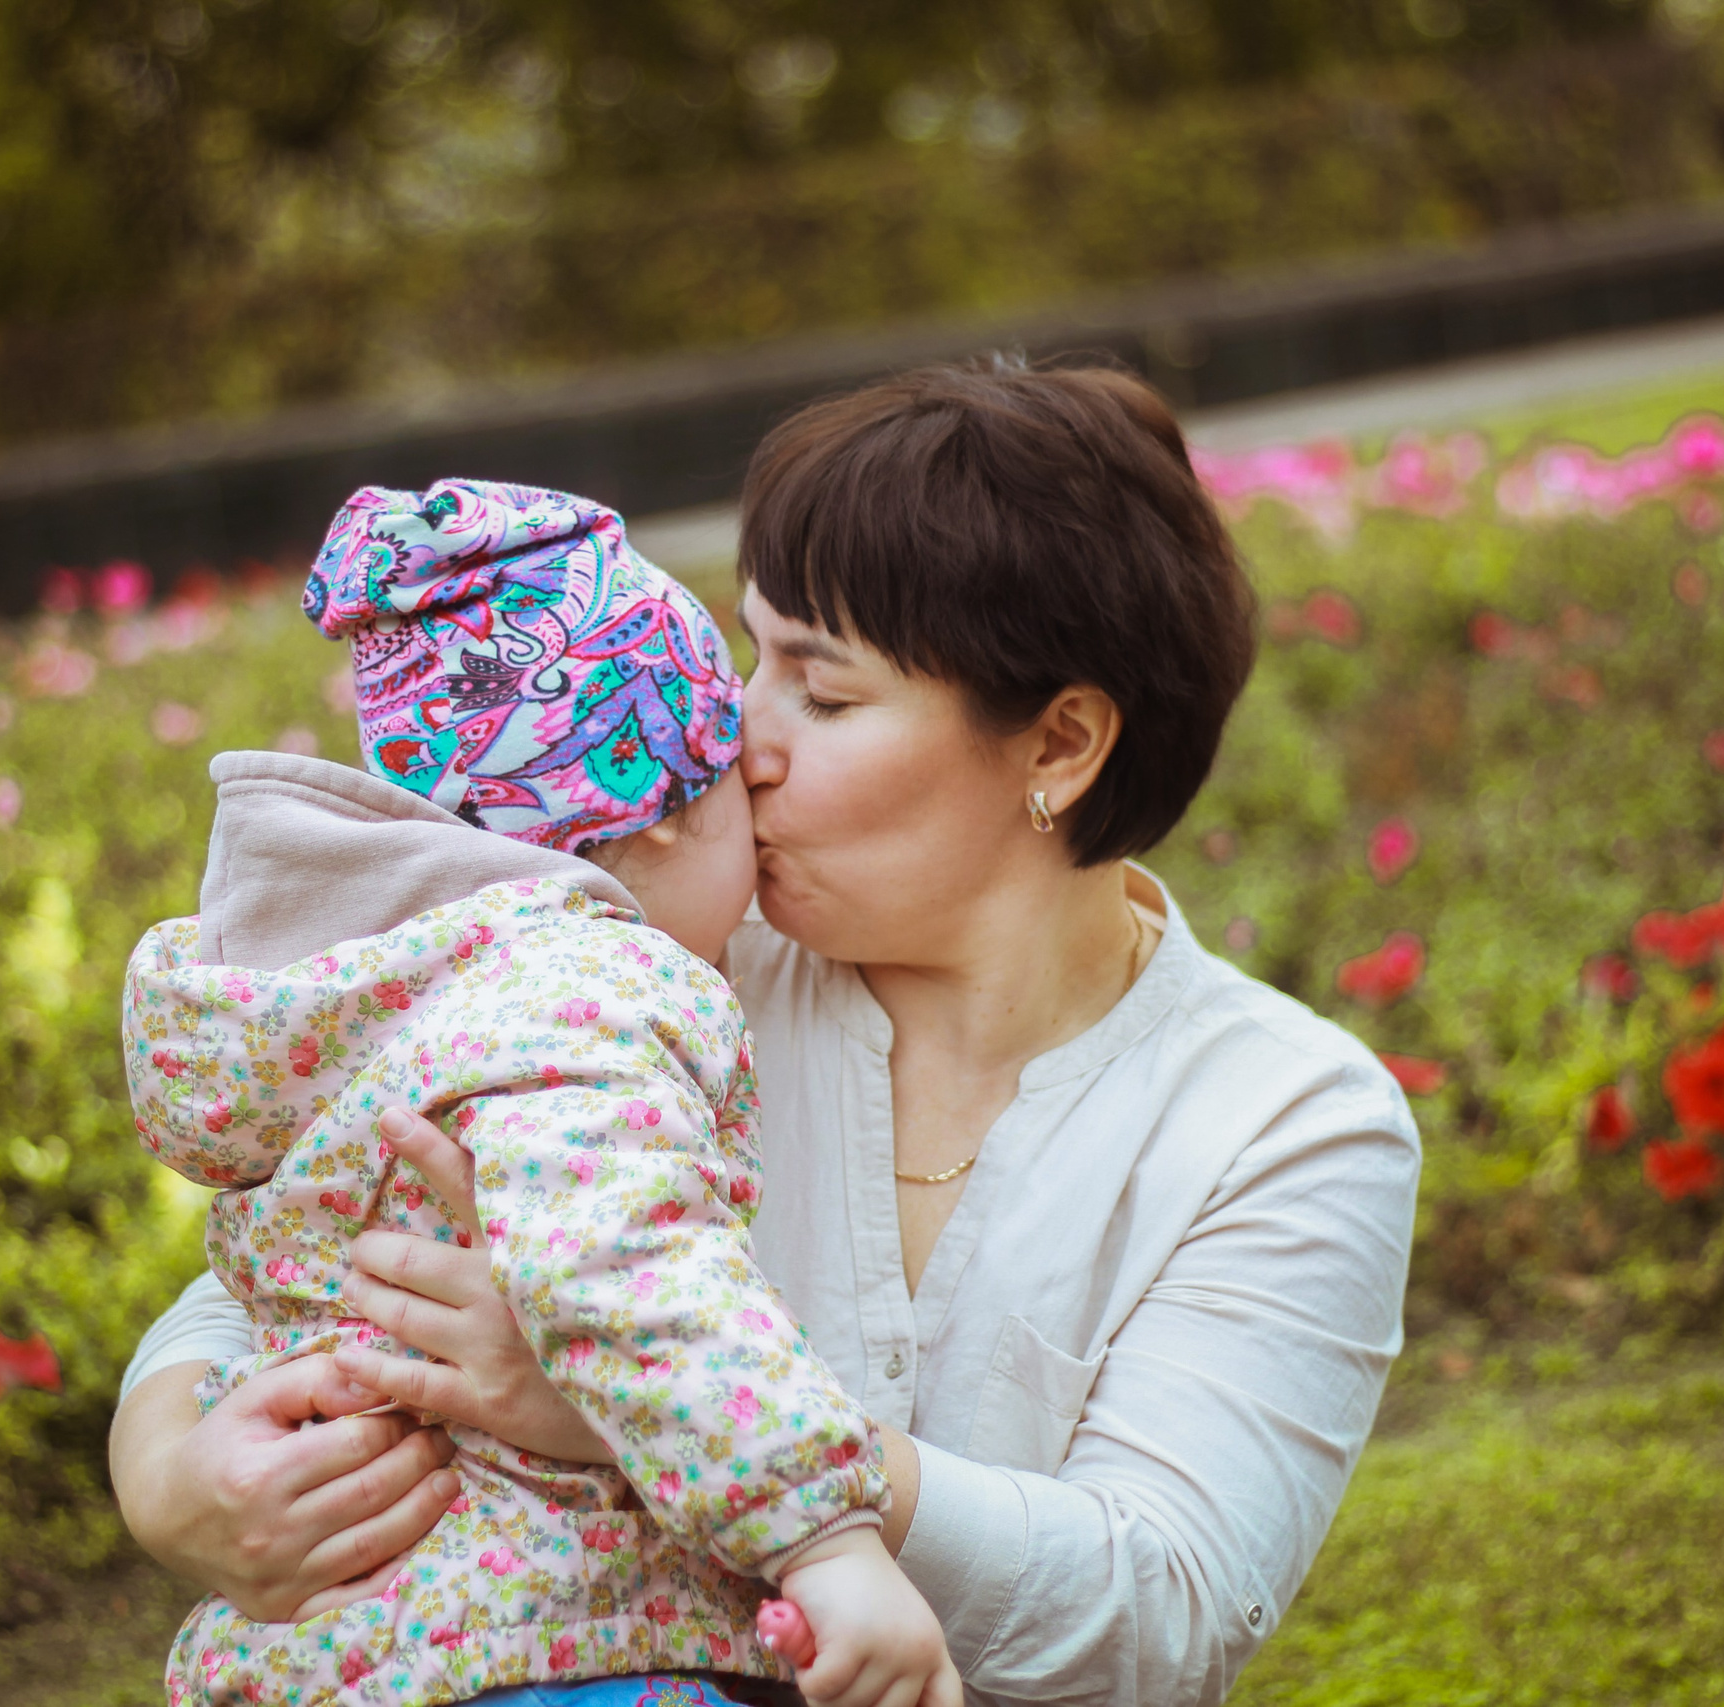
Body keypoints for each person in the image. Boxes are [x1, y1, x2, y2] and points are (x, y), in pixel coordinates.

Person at [111, 358, 1425, 1707]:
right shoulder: (641, 966)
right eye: (751, 652)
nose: (740, 732)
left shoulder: (1288, 1118)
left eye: (825, 689)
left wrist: (632, 1413)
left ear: (1060, 744)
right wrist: (169, 1472)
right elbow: (307, 1241)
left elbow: (1161, 1610)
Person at [125, 479, 956, 1707]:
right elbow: (623, 1267)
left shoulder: (396, 986)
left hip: (329, 1642)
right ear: (661, 811)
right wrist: (827, 1544)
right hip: (542, 1640)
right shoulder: (592, 987)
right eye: (729, 762)